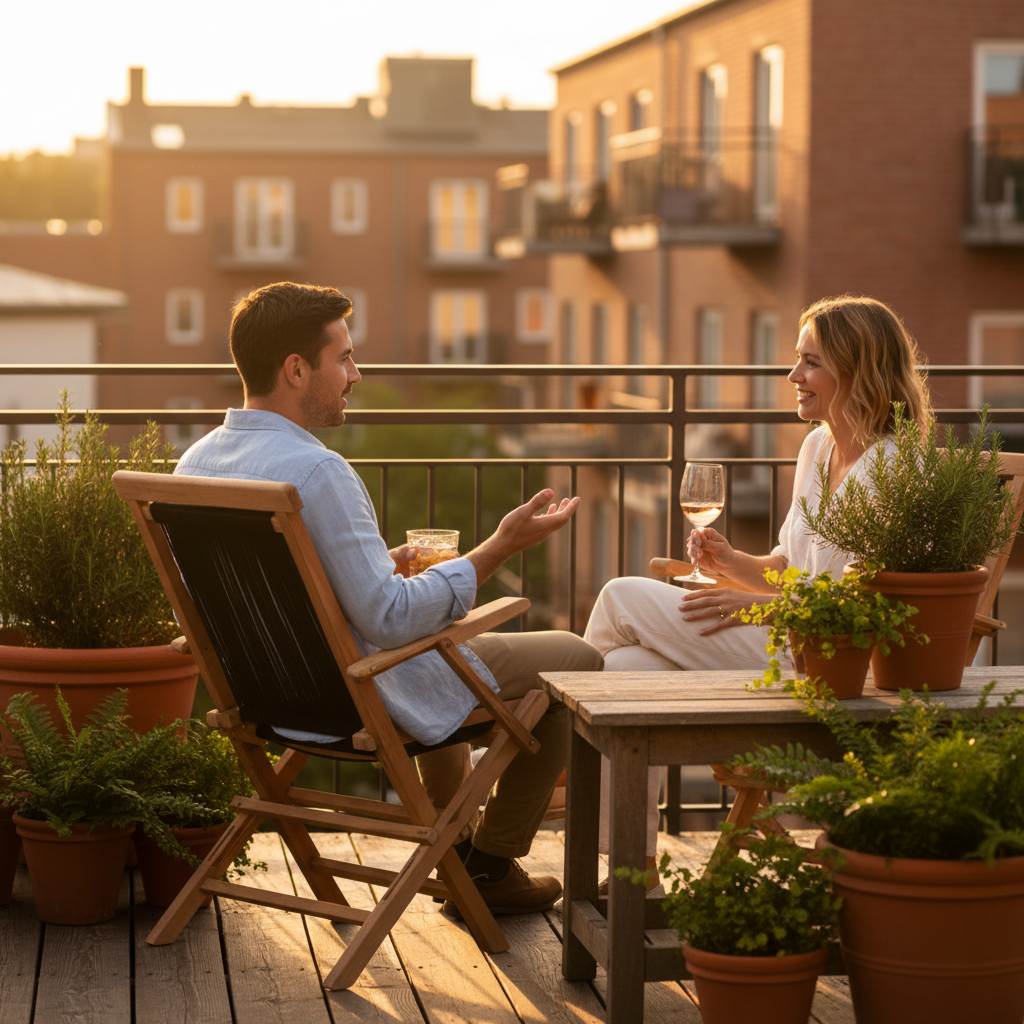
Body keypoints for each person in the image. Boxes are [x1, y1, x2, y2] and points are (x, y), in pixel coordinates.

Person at [174, 281, 603, 916]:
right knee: (575, 659)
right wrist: (497, 549)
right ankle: (489, 864)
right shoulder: (318, 472)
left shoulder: (195, 466)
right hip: (354, 697)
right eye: (343, 358)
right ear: (296, 369)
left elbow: (266, 593)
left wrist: (375, 567)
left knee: (443, 652)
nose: (356, 372)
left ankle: (455, 844)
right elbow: (390, 618)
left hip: (266, 698)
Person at [584, 294, 932, 870]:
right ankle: (630, 873)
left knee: (618, 594)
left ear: (859, 371)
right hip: (787, 642)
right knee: (624, 673)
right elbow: (787, 570)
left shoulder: (892, 469)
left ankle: (553, 760)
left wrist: (753, 611)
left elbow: (865, 604)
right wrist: (729, 562)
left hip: (836, 666)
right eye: (798, 360)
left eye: (811, 362)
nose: (794, 375)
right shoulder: (819, 448)